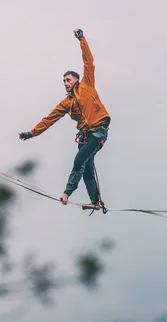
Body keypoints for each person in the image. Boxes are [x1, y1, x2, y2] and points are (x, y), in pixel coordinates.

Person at [18, 29, 110, 208]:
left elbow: (88, 62)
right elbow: (49, 119)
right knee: (86, 168)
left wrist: (81, 39)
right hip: (85, 136)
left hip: (98, 131)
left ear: (76, 80)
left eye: (68, 80)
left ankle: (67, 192)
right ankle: (96, 201)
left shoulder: (87, 85)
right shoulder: (66, 103)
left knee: (80, 160)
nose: (66, 83)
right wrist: (31, 133)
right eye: (64, 81)